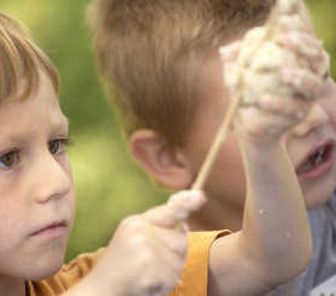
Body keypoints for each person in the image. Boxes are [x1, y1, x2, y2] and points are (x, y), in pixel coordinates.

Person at [0, 1, 318, 296]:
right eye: (8, 158)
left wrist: (262, 142)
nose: (56, 182)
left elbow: (271, 257)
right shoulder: (102, 285)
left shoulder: (86, 281)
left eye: (56, 145)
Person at [88, 0, 336, 294]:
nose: (314, 118)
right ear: (167, 158)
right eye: (262, 104)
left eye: (315, 76)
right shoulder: (166, 278)